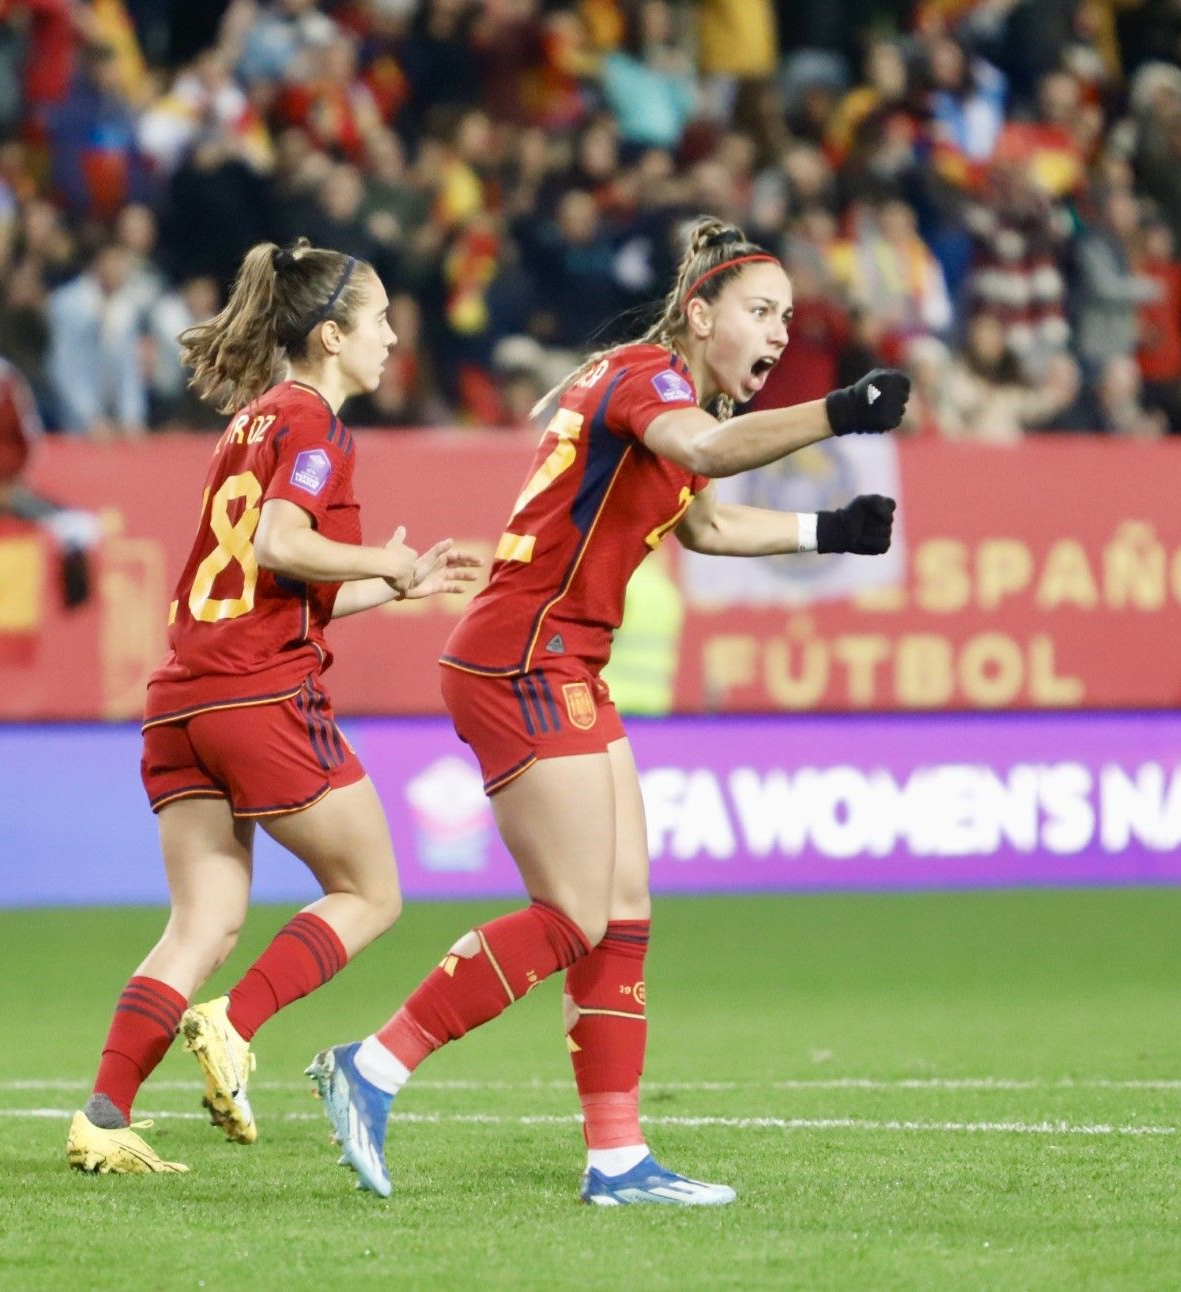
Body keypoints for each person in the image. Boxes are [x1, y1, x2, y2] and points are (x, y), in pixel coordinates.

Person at [306, 219, 908, 1206]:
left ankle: (617, 1157)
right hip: (521, 657)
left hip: (562, 661)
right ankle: (370, 1067)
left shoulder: (663, 391)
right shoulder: (652, 384)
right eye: (759, 312)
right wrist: (836, 412)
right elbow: (708, 451)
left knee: (621, 909)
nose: (776, 333)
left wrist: (828, 526)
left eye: (787, 320)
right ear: (699, 312)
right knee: (574, 911)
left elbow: (703, 518)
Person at [64, 240, 480, 1174]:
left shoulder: (252, 421)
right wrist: (382, 560)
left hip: (181, 701)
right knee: (373, 891)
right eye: (378, 319)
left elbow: (275, 575)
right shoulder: (318, 425)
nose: (392, 335)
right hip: (258, 694)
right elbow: (285, 541)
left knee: (202, 922)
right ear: (332, 336)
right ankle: (235, 1024)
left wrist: (396, 584)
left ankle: (102, 1113)